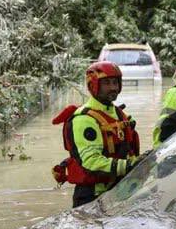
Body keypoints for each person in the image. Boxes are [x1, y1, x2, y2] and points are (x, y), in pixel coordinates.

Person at [52, 61, 141, 208]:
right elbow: (91, 162)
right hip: (92, 196)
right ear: (94, 85)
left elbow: (129, 152)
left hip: (118, 192)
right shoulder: (84, 119)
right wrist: (130, 165)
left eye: (115, 82)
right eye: (106, 83)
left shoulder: (119, 114)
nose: (113, 87)